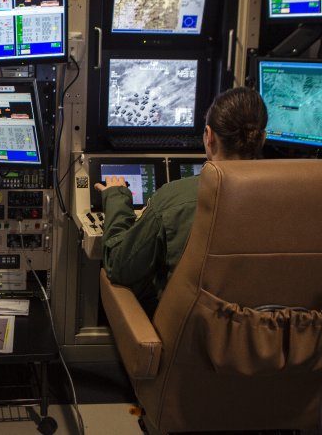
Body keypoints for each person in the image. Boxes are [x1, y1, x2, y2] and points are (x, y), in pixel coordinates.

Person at [94, 86, 268, 317]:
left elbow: (119, 266)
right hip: (262, 332)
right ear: (262, 138)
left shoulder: (176, 198)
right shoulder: (294, 197)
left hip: (190, 333)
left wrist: (117, 198)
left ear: (209, 136)